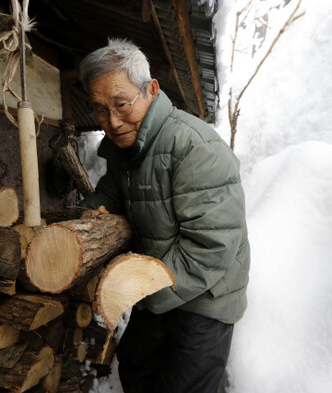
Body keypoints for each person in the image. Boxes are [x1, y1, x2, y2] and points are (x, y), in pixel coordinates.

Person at [78, 38, 250, 393]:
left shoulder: (193, 147)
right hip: (159, 285)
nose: (112, 121)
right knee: (136, 367)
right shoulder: (128, 147)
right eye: (99, 110)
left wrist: (140, 290)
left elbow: (211, 246)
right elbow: (111, 191)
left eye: (121, 104)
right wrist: (96, 207)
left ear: (151, 90)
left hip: (207, 296)